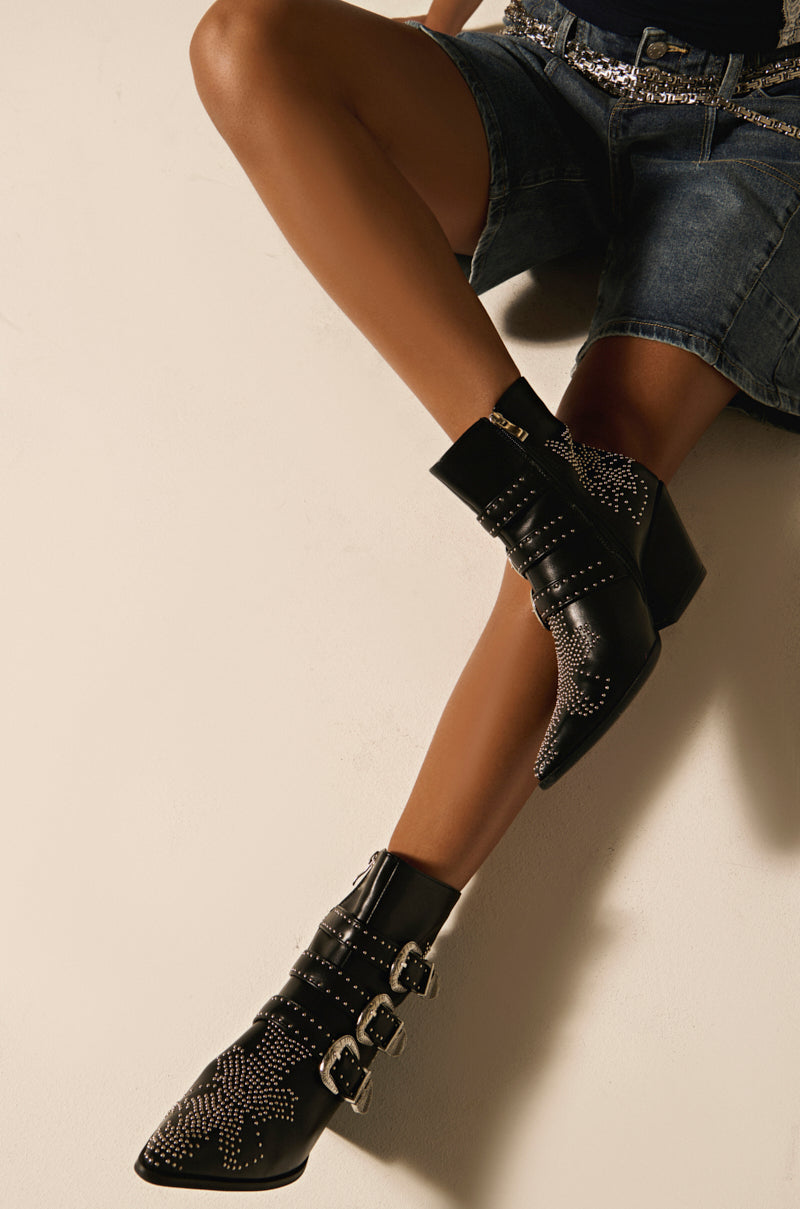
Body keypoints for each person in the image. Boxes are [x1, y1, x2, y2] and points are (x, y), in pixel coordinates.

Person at [134, 0, 800, 1190]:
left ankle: (328, 1006)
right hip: (555, 59)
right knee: (248, 44)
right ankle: (564, 522)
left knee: (609, 442)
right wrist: (430, 33)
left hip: (767, 126)